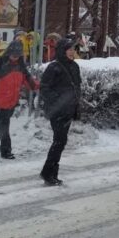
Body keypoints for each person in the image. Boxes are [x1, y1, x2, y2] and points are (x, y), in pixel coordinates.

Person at [0, 40, 38, 159]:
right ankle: (6, 151)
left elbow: (30, 82)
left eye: (17, 55)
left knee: (0, 125)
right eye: (13, 55)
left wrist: (43, 84)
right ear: (9, 52)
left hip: (12, 101)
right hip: (0, 101)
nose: (15, 57)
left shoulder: (21, 65)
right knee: (4, 127)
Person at [40, 38, 81, 186]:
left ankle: (51, 173)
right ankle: (47, 172)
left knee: (60, 142)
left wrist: (75, 106)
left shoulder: (75, 66)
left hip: (69, 110)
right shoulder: (54, 67)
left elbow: (77, 88)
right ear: (63, 51)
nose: (72, 52)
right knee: (59, 141)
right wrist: (58, 101)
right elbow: (44, 87)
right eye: (69, 49)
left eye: (73, 49)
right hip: (57, 111)